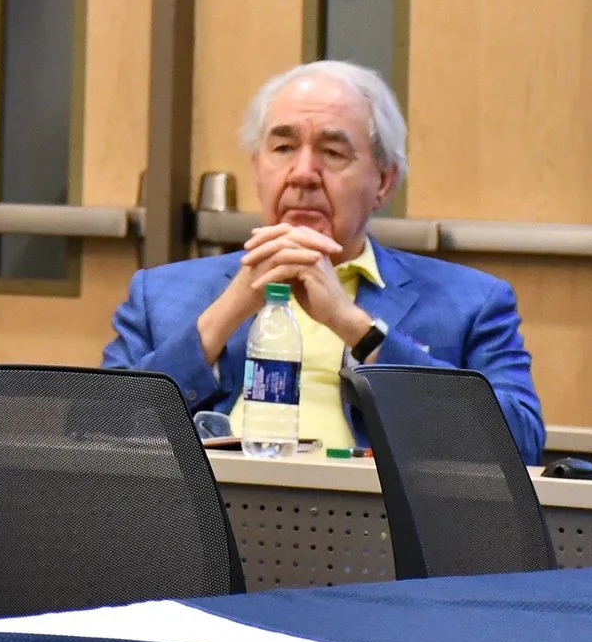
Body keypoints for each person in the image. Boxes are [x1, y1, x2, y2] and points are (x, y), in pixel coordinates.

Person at [103, 60, 547, 463]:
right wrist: (227, 312)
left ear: (384, 181)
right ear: (257, 167)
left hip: (375, 536)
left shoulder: (472, 302)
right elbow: (95, 429)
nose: (302, 174)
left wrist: (353, 327)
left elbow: (521, 440)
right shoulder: (158, 294)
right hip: (201, 537)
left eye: (333, 154)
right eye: (282, 149)